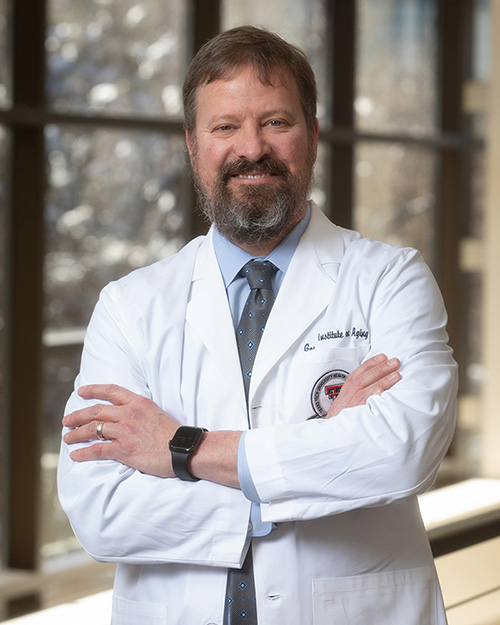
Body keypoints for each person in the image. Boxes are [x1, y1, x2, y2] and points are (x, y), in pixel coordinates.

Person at [58, 25, 458, 625]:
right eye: (225, 127)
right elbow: (100, 510)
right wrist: (312, 466)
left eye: (276, 122)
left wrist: (180, 448)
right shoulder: (129, 306)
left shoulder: (389, 279)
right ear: (194, 146)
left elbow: (400, 454)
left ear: (314, 136)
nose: (252, 148)